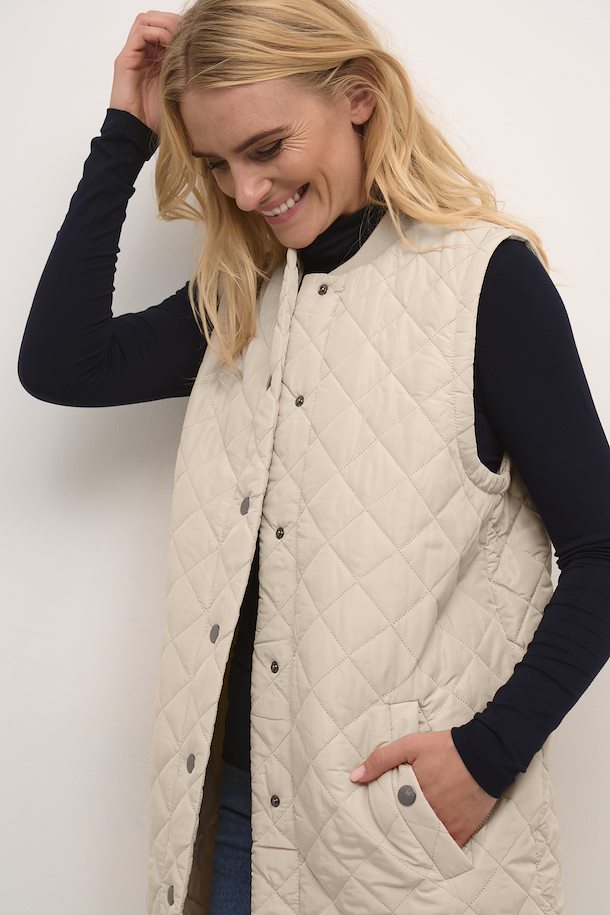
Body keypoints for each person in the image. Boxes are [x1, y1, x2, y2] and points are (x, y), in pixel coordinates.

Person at [17, 1, 610, 913]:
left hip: (405, 841)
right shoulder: (240, 297)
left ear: (359, 96)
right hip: (233, 817)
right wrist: (126, 132)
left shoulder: (484, 282)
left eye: (266, 148)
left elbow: (602, 549)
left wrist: (486, 756)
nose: (247, 191)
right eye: (217, 164)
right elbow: (63, 363)